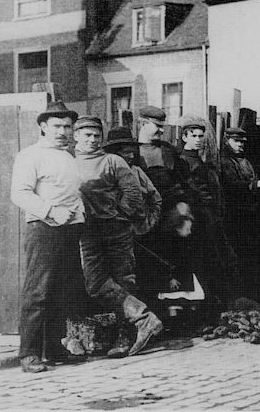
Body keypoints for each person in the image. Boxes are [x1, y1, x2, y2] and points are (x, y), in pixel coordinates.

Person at [74, 116, 163, 357]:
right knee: (95, 284)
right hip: (87, 232)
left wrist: (119, 217)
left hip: (116, 230)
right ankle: (145, 318)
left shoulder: (112, 161)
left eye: (96, 135)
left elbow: (132, 193)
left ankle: (125, 338)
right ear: (76, 137)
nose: (92, 140)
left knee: (124, 281)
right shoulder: (68, 162)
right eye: (87, 135)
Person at [10, 102, 88, 373]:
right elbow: (19, 193)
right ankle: (29, 354)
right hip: (43, 230)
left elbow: (74, 195)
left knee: (61, 293)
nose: (63, 132)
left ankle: (53, 350)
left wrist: (78, 218)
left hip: (69, 231)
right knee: (38, 292)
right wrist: (51, 211)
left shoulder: (69, 157)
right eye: (57, 126)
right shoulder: (30, 155)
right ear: (43, 127)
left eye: (67, 127)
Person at [178, 121, 238, 316]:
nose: (198, 140)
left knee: (221, 259)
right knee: (205, 263)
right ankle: (211, 307)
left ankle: (222, 304)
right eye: (193, 136)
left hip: (212, 218)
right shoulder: (183, 162)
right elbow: (191, 191)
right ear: (184, 137)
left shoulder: (201, 162)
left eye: (200, 136)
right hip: (198, 220)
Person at [135, 106, 189, 309]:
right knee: (148, 264)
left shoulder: (168, 151)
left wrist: (183, 208)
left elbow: (183, 183)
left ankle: (176, 313)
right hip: (144, 218)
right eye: (156, 126)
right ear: (142, 124)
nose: (160, 131)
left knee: (173, 262)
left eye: (162, 126)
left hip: (169, 217)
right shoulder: (131, 151)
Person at [219, 127, 260, 299]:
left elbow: (252, 180)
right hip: (236, 215)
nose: (240, 145)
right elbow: (232, 186)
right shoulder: (225, 161)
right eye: (236, 141)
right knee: (241, 254)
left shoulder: (244, 160)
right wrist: (259, 184)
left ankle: (255, 292)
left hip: (251, 214)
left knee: (254, 253)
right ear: (227, 141)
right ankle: (244, 294)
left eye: (241, 142)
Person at [103, 126, 162, 238]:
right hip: (113, 233)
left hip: (139, 233)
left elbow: (156, 199)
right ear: (113, 153)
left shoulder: (137, 171)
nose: (131, 156)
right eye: (126, 152)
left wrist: (149, 223)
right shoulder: (104, 173)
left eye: (132, 152)